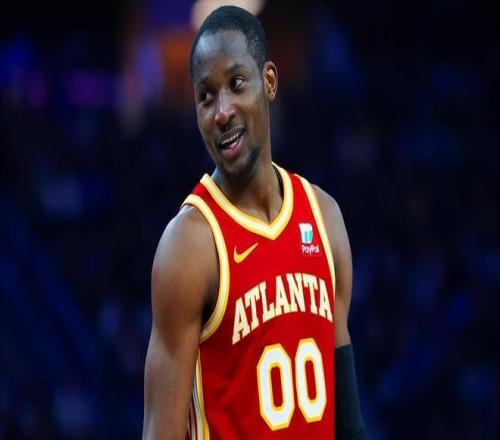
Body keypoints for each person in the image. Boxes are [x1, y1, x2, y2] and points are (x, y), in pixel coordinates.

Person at [143, 5, 367, 439]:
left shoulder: (324, 217)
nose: (221, 111)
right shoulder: (189, 245)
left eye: (236, 84)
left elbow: (349, 423)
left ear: (269, 82)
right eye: (206, 96)